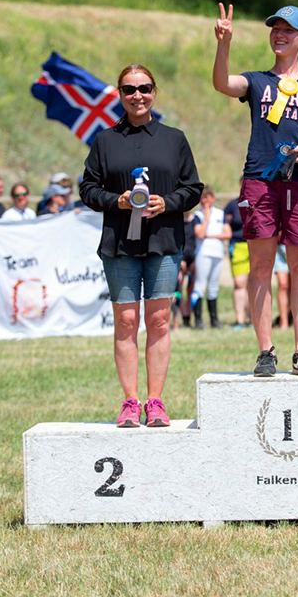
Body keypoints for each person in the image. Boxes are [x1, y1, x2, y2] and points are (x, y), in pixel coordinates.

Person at [213, 3, 298, 377]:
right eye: (274, 29)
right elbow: (223, 83)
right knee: (261, 266)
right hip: (259, 181)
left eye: (287, 29)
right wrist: (223, 44)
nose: (279, 35)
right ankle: (265, 351)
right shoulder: (257, 81)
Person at [80, 63, 202, 428]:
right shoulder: (103, 141)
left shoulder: (174, 138)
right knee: (127, 320)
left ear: (154, 92)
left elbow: (192, 188)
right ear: (119, 94)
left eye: (145, 88)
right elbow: (87, 189)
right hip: (119, 244)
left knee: (160, 320)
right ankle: (130, 402)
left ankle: (156, 402)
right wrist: (115, 201)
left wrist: (168, 202)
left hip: (164, 243)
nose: (138, 96)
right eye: (130, 89)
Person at [191, 186, 230, 329]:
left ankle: (214, 320)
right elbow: (200, 234)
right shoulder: (198, 215)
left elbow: (228, 234)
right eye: (202, 198)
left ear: (212, 198)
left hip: (217, 253)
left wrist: (212, 236)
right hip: (203, 253)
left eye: (207, 197)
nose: (204, 200)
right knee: (200, 285)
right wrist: (206, 216)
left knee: (213, 287)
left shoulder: (221, 214)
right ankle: (198, 320)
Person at [224, 182, 251, 329]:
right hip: (238, 245)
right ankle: (240, 319)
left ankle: (252, 319)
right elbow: (225, 224)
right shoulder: (232, 205)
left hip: (256, 244)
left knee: (254, 283)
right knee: (240, 284)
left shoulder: (260, 202)